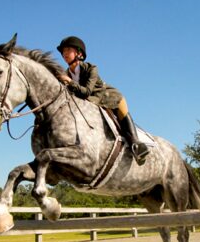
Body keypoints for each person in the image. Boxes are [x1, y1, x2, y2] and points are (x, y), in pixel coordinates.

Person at [56, 36, 150, 165]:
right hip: (89, 104)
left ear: (79, 53)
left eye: (68, 50)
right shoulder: (66, 74)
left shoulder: (91, 68)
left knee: (123, 115)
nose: (64, 53)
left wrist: (69, 82)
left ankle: (136, 145)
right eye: (63, 52)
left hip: (109, 98)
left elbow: (86, 92)